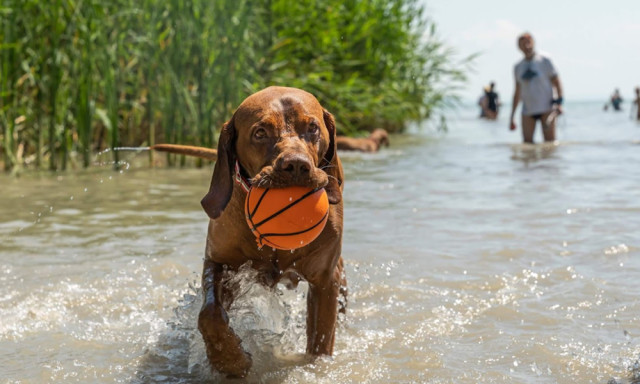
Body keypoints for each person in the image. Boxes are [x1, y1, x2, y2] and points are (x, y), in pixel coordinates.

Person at [509, 33, 564, 143]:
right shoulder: (518, 67)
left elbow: (557, 82)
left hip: (547, 109)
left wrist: (559, 103)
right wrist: (512, 116)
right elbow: (517, 92)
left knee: (550, 144)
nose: (526, 46)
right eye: (523, 44)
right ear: (519, 47)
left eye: (528, 43)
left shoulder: (545, 60)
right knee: (527, 145)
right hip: (528, 111)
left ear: (533, 43)